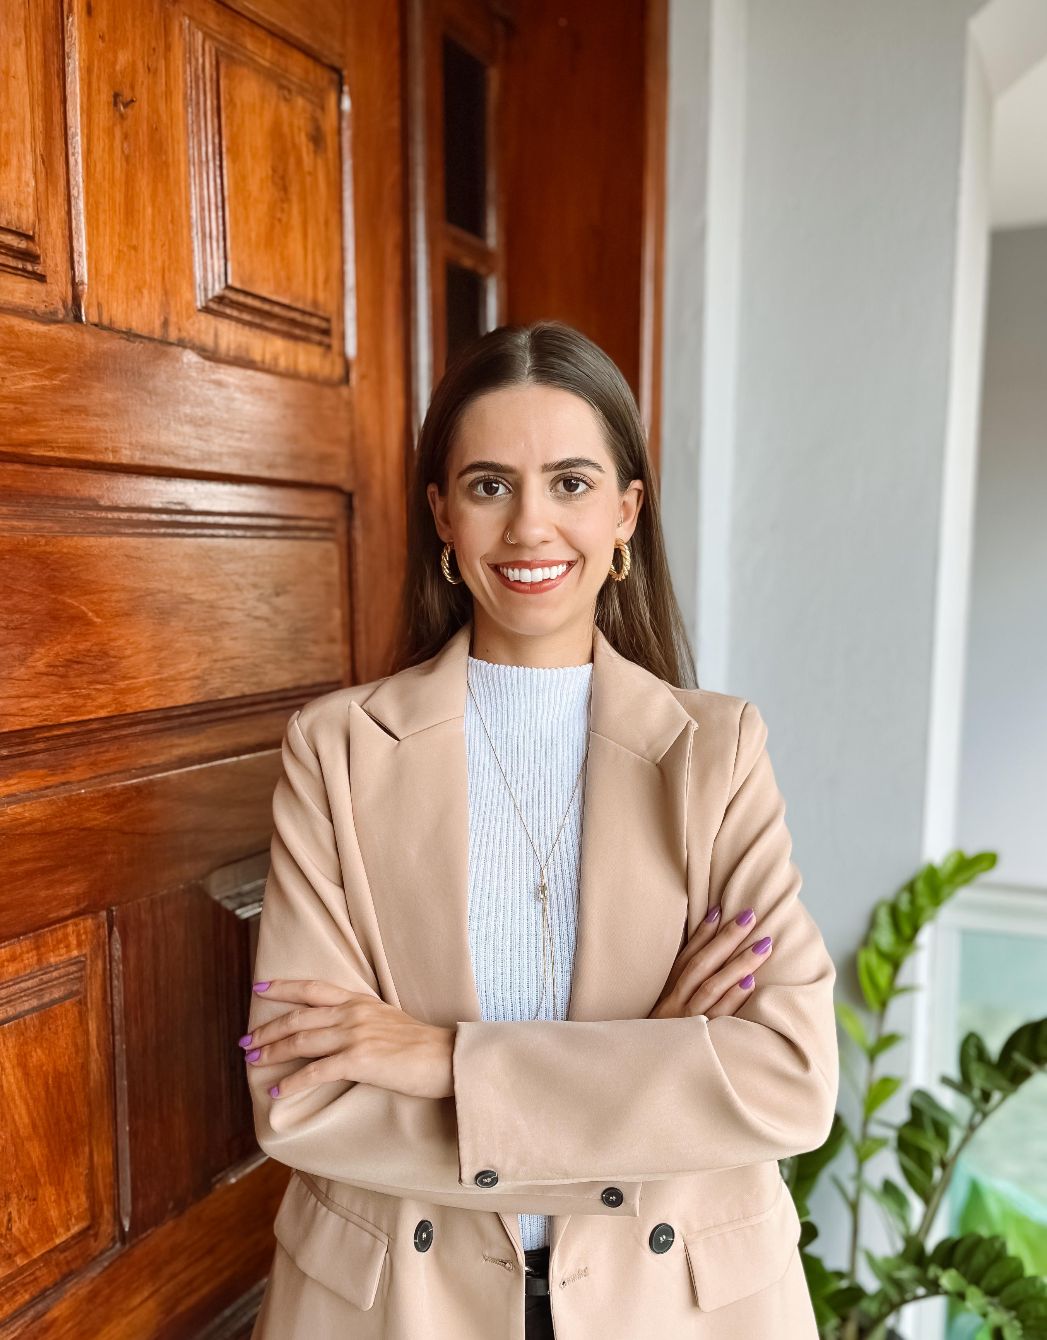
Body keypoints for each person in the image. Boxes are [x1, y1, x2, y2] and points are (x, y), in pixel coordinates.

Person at [241, 321, 839, 1339]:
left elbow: (787, 1081)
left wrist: (443, 1060)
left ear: (625, 514)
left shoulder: (718, 751)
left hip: (677, 1303)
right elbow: (304, 1099)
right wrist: (652, 1061)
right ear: (442, 512)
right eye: (488, 485)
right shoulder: (335, 749)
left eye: (569, 482)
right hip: (401, 1305)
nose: (529, 525)